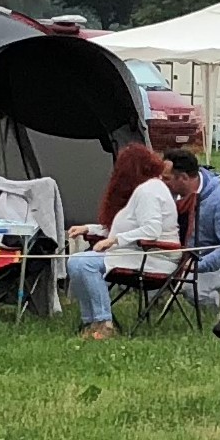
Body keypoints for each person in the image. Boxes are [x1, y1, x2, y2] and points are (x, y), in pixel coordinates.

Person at [64, 142, 176, 339]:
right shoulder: (146, 189)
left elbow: (151, 230)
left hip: (152, 259)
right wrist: (89, 229)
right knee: (77, 262)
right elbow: (127, 226)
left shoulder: (149, 191)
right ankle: (91, 322)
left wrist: (114, 240)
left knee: (83, 264)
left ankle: (103, 323)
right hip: (137, 254)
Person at [168, 148, 220, 305]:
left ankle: (215, 307)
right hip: (175, 260)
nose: (162, 182)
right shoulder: (168, 195)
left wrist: (198, 265)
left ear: (182, 178)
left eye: (166, 179)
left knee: (191, 288)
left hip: (217, 267)